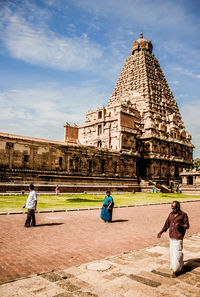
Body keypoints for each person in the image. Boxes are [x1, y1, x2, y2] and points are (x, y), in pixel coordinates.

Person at [157, 201, 189, 278]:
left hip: (178, 236)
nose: (172, 209)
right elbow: (166, 225)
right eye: (172, 207)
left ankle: (176, 271)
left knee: (177, 253)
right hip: (171, 237)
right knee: (173, 253)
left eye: (174, 208)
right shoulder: (171, 214)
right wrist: (161, 232)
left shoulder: (183, 215)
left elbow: (187, 225)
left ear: (178, 207)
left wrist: (181, 226)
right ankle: (178, 266)